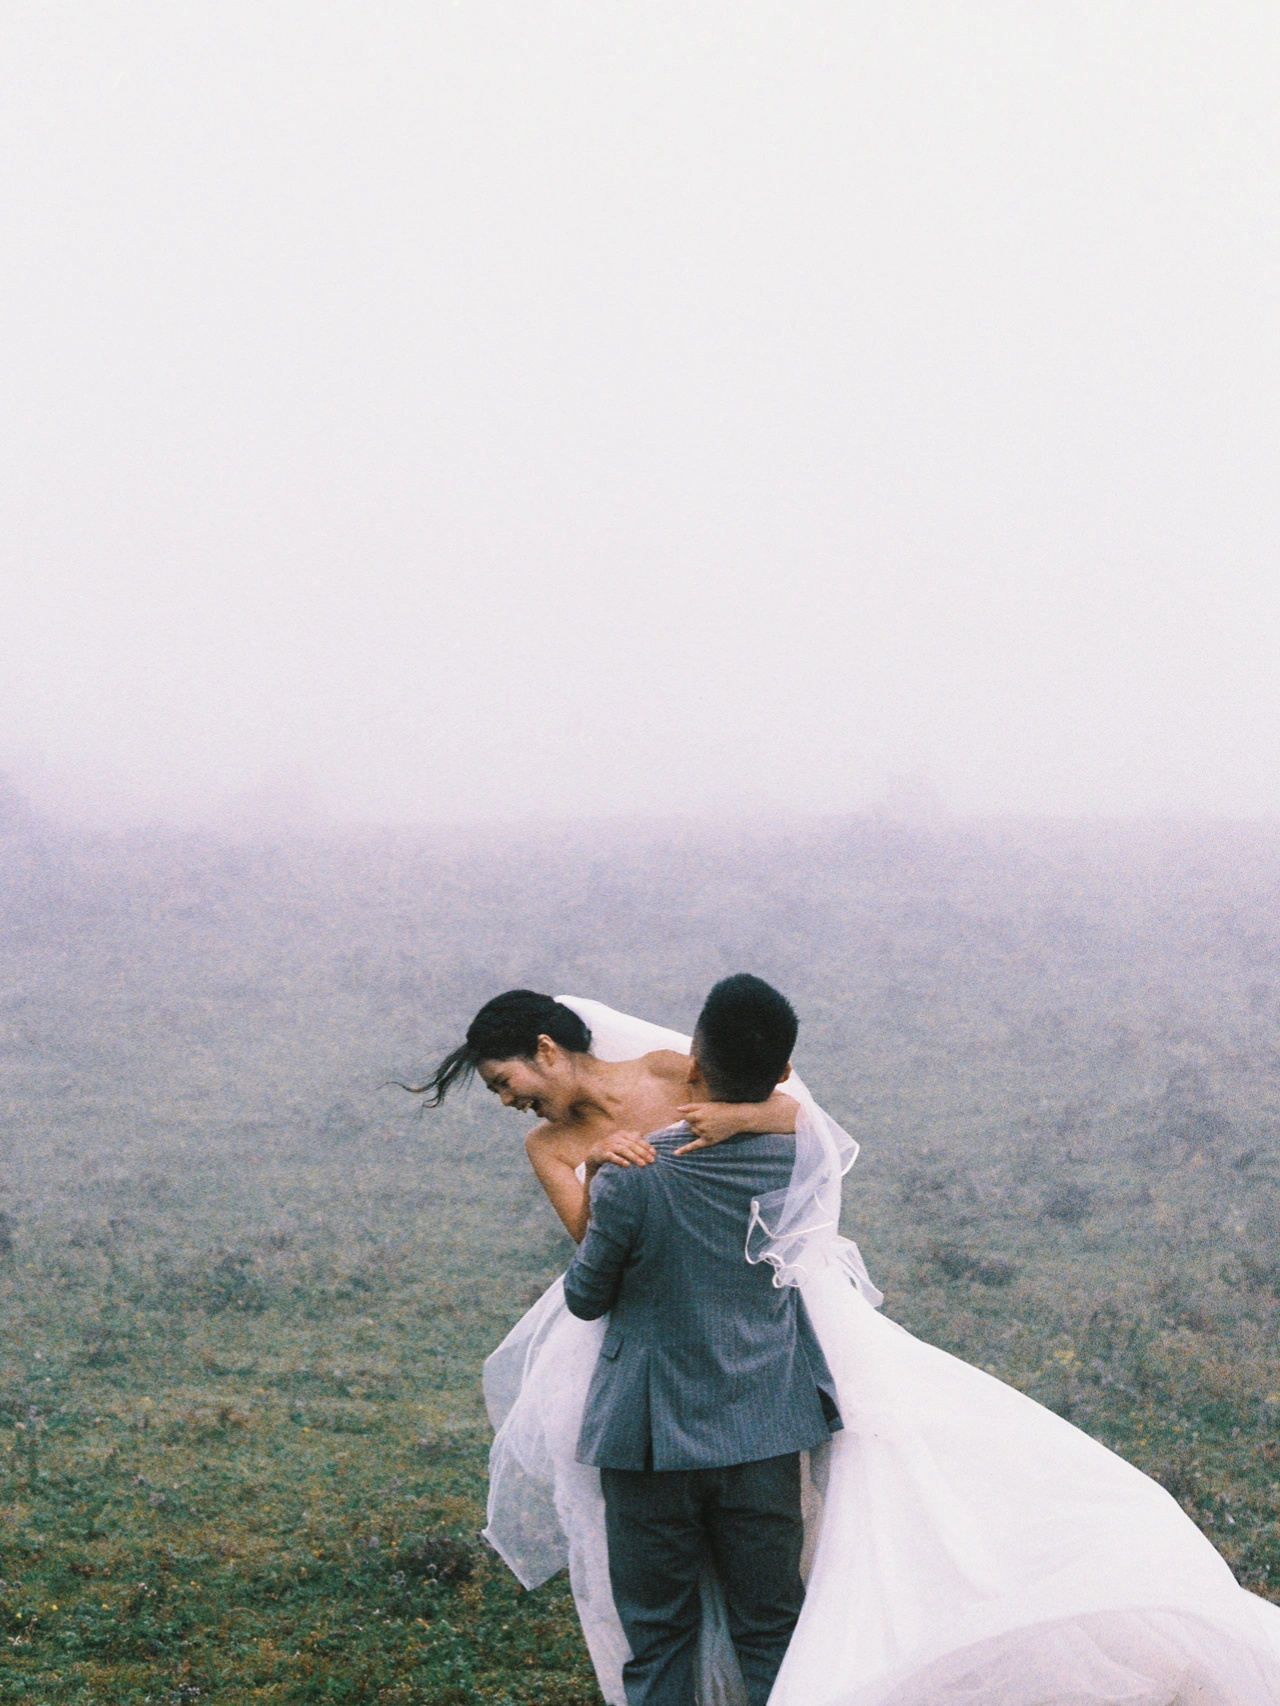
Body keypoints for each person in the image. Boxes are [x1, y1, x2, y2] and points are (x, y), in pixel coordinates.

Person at [426, 989, 1280, 1706]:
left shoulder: (668, 1073)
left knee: (687, 1608)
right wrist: (617, 1175)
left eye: (505, 1082)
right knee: (757, 1606)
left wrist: (680, 1147)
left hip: (696, 1377)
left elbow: (782, 1111)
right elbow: (599, 1251)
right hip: (705, 1368)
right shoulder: (555, 1147)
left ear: (547, 1050)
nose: (507, 1102)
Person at [560, 975, 841, 1706]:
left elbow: (585, 1298)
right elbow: (810, 1125)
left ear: (692, 1064)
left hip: (651, 1438)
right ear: (783, 1071)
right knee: (771, 1628)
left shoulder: (634, 1172)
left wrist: (593, 1173)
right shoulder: (805, 1157)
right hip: (764, 1428)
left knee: (658, 1637)